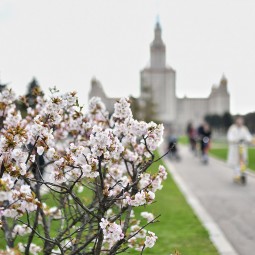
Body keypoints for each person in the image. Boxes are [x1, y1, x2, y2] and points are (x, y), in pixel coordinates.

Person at [227, 116, 252, 182]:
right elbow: (230, 137)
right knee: (236, 162)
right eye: (239, 120)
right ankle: (237, 175)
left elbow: (248, 136)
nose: (240, 122)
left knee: (243, 161)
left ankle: (243, 173)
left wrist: (249, 140)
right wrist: (235, 140)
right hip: (235, 147)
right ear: (236, 121)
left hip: (242, 147)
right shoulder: (232, 128)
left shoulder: (244, 128)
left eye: (241, 120)